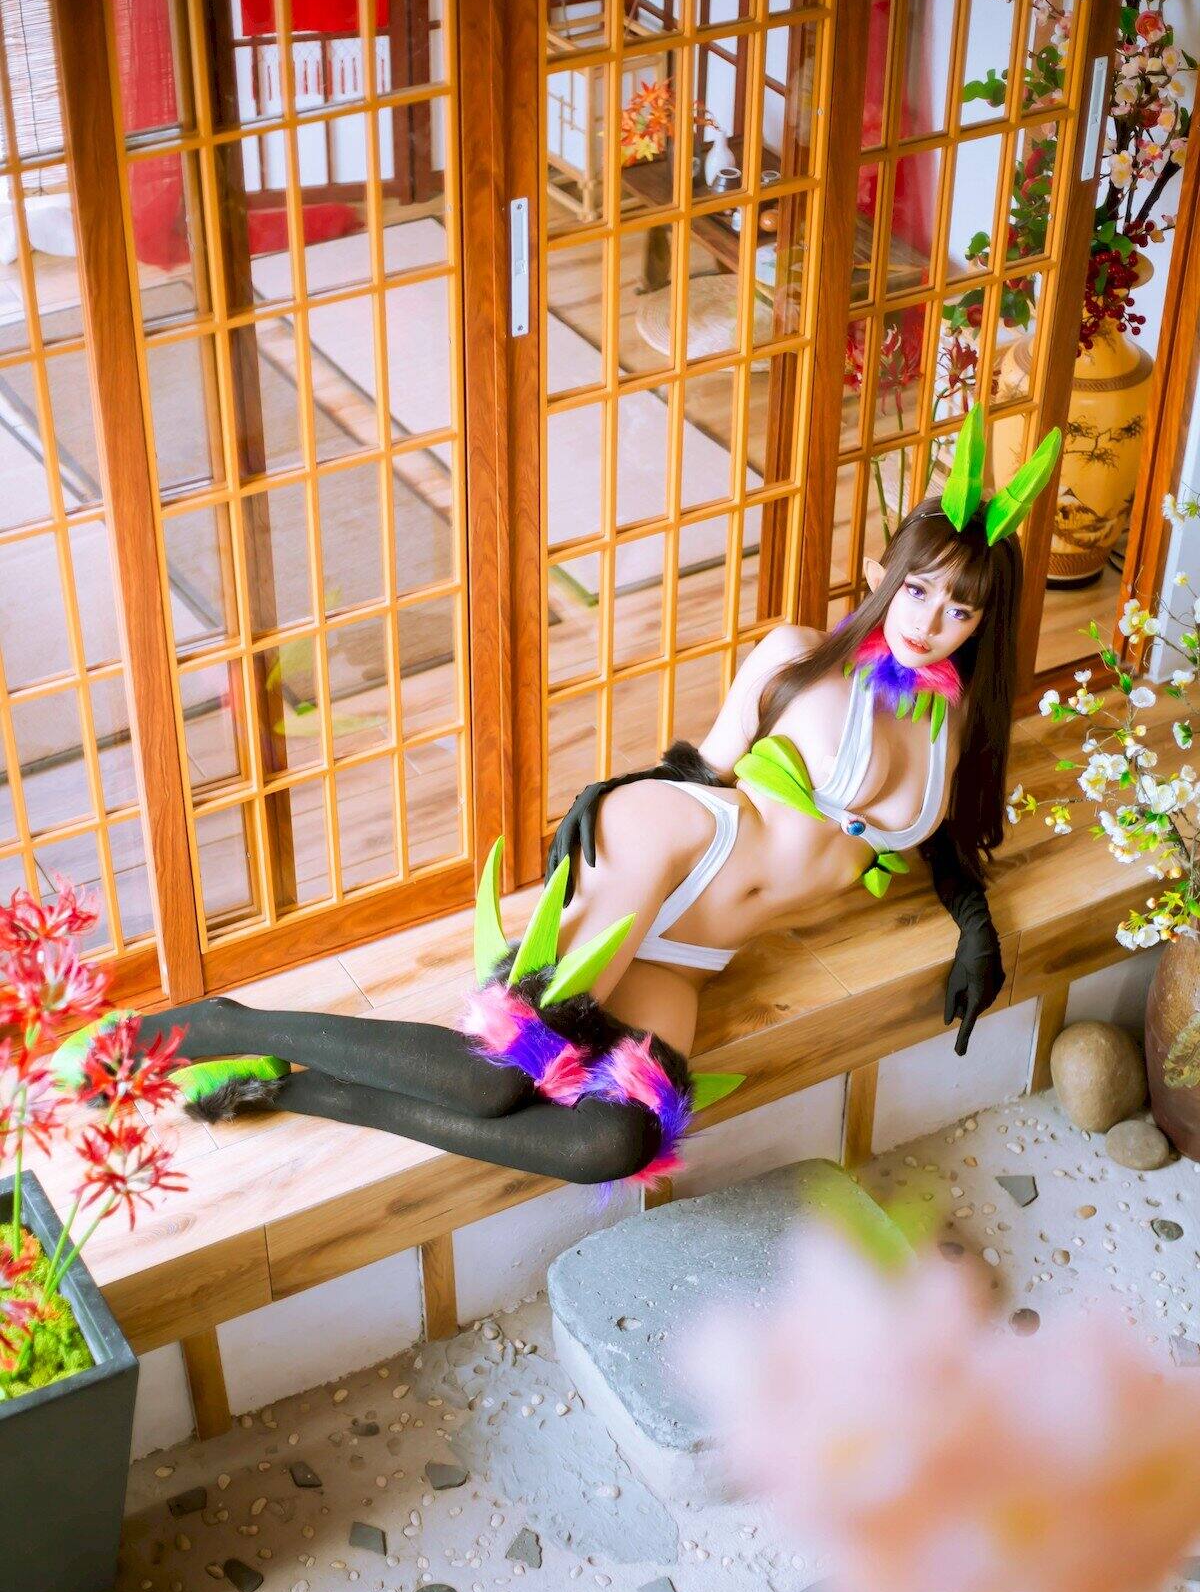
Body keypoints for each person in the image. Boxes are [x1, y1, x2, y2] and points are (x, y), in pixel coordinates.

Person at [52, 407, 1059, 1189]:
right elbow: (706, 763)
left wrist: (976, 928)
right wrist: (611, 793)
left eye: (959, 606)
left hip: (695, 953)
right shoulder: (803, 659)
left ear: (984, 620)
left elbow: (939, 842)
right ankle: (218, 1023)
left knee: (614, 1142)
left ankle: (298, 1089)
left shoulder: (954, 731)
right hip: (681, 850)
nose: (931, 619)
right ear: (886, 576)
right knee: (495, 1074)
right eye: (917, 589)